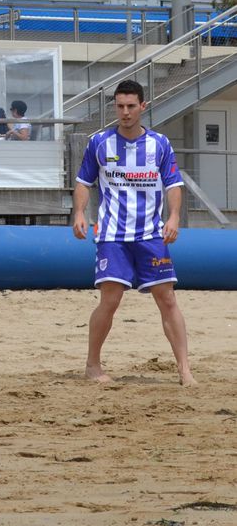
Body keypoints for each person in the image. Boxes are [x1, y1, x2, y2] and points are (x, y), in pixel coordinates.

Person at [72, 80, 195, 387]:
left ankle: (184, 370)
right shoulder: (99, 142)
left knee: (167, 299)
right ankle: (92, 366)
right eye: (119, 106)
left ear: (143, 106)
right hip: (112, 235)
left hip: (151, 235)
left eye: (130, 106)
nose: (124, 112)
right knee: (110, 300)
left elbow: (173, 185)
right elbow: (83, 182)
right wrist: (78, 213)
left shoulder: (160, 144)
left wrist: (175, 217)